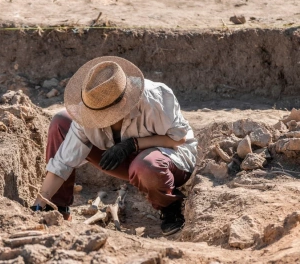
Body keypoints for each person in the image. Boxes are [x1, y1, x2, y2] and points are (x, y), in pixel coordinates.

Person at [31, 56, 197, 235]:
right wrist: (41, 202)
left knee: (146, 165)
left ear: (123, 103)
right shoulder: (89, 108)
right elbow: (63, 161)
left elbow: (179, 138)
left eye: (104, 115)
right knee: (61, 121)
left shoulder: (155, 98)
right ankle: (57, 209)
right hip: (124, 160)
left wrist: (132, 144)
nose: (97, 120)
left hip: (170, 158)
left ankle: (170, 206)